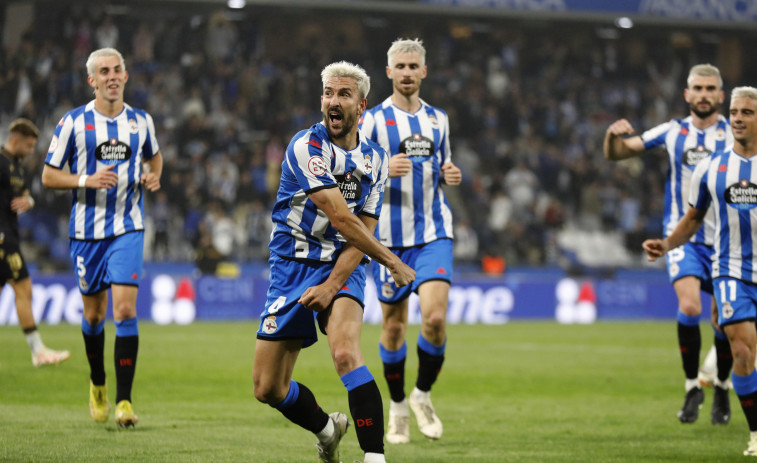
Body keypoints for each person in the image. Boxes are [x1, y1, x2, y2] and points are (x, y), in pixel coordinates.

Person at [251, 61, 415, 463]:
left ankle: (375, 457)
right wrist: (392, 260)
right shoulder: (306, 147)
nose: (333, 101)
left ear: (362, 104)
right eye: (328, 94)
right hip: (291, 265)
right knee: (267, 388)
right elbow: (341, 217)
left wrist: (331, 285)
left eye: (343, 94)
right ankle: (327, 429)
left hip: (345, 263)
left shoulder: (375, 160)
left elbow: (362, 231)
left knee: (345, 353)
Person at [604, 64, 733, 424]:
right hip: (683, 238)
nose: (704, 94)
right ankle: (693, 385)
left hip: (726, 241)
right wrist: (612, 135)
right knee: (690, 307)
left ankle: (721, 385)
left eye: (711, 88)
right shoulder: (673, 131)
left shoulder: (735, 133)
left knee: (723, 321)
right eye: (698, 88)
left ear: (721, 96)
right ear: (687, 94)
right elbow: (618, 153)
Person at [41, 48, 163, 428]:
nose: (112, 76)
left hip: (128, 226)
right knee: (93, 317)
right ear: (92, 80)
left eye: (117, 70)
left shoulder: (142, 122)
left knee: (124, 310)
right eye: (103, 72)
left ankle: (125, 401)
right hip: (86, 233)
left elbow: (154, 158)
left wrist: (152, 175)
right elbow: (48, 175)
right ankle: (98, 384)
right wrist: (85, 179)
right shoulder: (74, 122)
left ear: (126, 76)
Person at [643, 86, 757, 456]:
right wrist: (667, 245)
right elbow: (692, 218)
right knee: (742, 350)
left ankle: (720, 386)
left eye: (748, 113)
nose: (738, 118)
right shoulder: (711, 166)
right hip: (731, 271)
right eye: (736, 112)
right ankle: (756, 433)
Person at [359, 38, 462, 444]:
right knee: (394, 328)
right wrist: (383, 170)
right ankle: (398, 406)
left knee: (435, 320)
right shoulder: (372, 120)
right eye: (399, 66)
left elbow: (443, 164)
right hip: (388, 240)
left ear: (423, 72)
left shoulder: (439, 120)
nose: (405, 73)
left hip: (434, 232)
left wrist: (450, 174)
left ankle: (422, 395)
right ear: (388, 73)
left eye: (412, 66)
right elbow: (353, 176)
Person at [1, 118, 70, 367]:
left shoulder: (19, 169)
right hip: (3, 238)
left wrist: (28, 202)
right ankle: (38, 350)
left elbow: (26, 196)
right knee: (24, 288)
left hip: (11, 233)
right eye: (28, 146)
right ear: (16, 140)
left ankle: (37, 350)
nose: (31, 151)